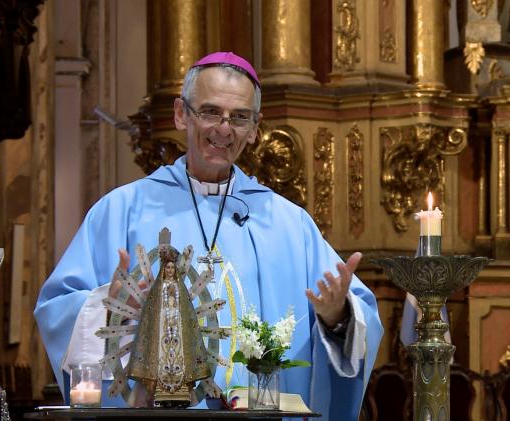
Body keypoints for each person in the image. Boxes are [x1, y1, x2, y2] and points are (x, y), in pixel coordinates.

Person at [34, 51, 383, 420]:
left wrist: (337, 317)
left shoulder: (289, 224)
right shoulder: (122, 210)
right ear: (181, 114)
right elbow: (57, 309)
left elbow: (357, 316)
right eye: (210, 112)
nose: (224, 129)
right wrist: (107, 308)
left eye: (240, 117)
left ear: (254, 128)